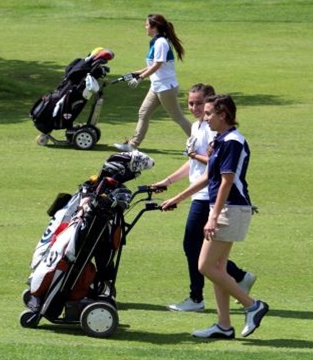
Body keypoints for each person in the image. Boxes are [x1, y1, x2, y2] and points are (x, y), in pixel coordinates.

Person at [161, 94, 268, 339]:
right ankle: (224, 326)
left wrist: (213, 216)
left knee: (205, 266)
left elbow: (226, 183)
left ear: (223, 115)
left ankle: (253, 305)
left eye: (209, 113)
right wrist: (177, 198)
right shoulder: (220, 140)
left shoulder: (232, 141)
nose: (204, 118)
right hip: (226, 208)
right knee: (219, 267)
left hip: (231, 209)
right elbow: (209, 177)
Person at [114, 14, 191, 152]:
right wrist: (136, 73)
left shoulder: (161, 42)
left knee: (178, 117)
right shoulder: (157, 42)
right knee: (143, 113)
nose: (145, 27)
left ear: (154, 27)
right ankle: (132, 145)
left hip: (165, 87)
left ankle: (200, 144)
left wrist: (141, 77)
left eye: (147, 25)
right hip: (157, 86)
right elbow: (153, 65)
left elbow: (158, 65)